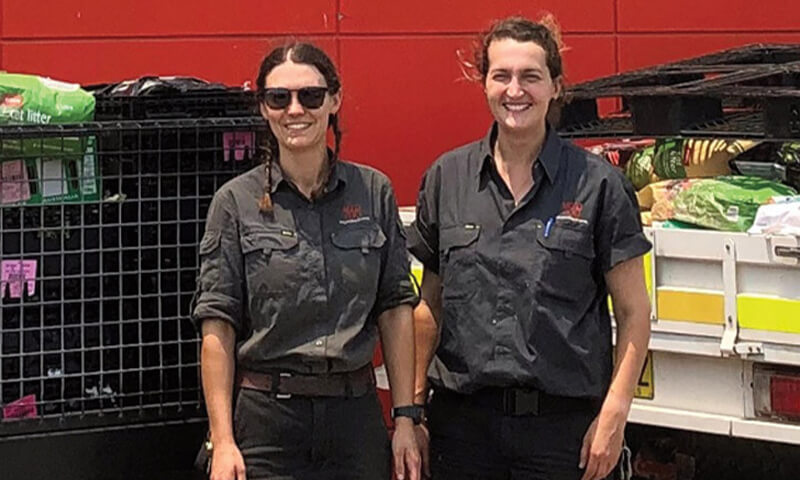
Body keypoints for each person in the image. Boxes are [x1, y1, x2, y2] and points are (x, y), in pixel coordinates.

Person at [408, 16, 652, 480]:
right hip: (462, 430)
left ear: (556, 87)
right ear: (483, 83)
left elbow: (634, 312)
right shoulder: (446, 178)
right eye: (501, 75)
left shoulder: (599, 185)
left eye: (531, 76)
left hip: (561, 433)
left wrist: (615, 414)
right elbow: (429, 308)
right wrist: (412, 411)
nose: (514, 90)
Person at [192, 41, 421, 480]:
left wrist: (406, 418)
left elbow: (395, 307)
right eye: (279, 97)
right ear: (263, 107)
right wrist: (222, 441)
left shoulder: (373, 192)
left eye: (310, 96)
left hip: (354, 418)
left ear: (334, 100)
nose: (295, 110)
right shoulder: (234, 202)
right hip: (266, 422)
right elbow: (217, 325)